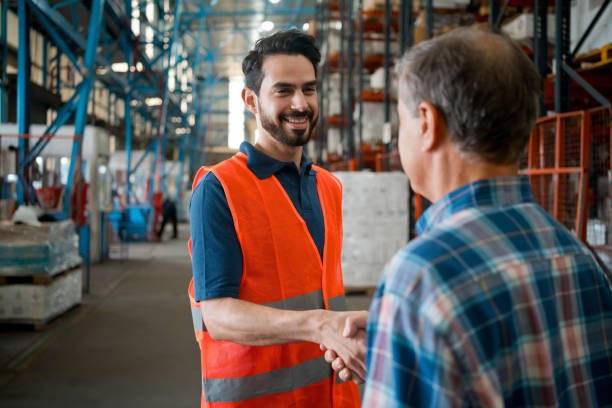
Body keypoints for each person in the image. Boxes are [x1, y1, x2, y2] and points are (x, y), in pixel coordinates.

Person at [328, 28, 612, 406]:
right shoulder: (580, 258)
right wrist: (397, 342)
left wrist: (408, 321)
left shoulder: (421, 279)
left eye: (402, 122)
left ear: (427, 123)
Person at [187, 30, 363, 408]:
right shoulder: (220, 189)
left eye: (309, 89)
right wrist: (319, 325)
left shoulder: (328, 187)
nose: (300, 103)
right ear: (250, 100)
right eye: (283, 91)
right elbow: (216, 315)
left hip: (330, 397)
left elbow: (322, 294)